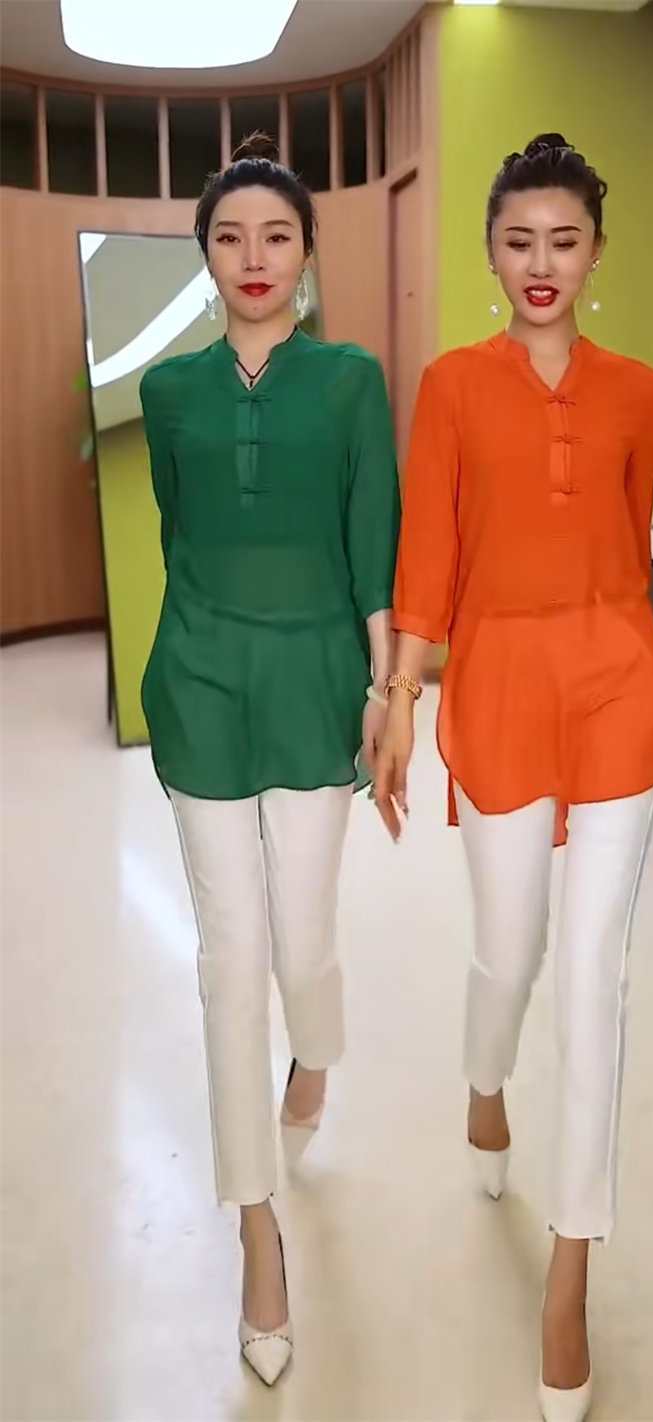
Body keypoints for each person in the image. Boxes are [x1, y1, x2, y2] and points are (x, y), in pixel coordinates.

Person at [375, 134, 653, 1422]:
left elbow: (627, 539)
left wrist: (602, 634)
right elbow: (427, 555)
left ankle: (570, 1270)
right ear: (490, 252)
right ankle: (482, 1080)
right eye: (517, 241)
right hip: (496, 684)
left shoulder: (637, 391)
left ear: (594, 252)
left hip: (618, 680)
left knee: (595, 970)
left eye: (562, 240)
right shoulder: (450, 385)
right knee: (511, 951)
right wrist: (399, 697)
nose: (540, 263)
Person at [140, 134, 400, 1387]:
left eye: (276, 236)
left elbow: (371, 540)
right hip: (199, 684)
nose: (253, 257)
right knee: (230, 961)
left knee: (302, 944)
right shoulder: (170, 393)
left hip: (314, 687)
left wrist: (386, 691)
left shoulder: (350, 382)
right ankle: (258, 1231)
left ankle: (319, 1051)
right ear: (206, 254)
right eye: (230, 236)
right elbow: (179, 533)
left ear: (306, 253)